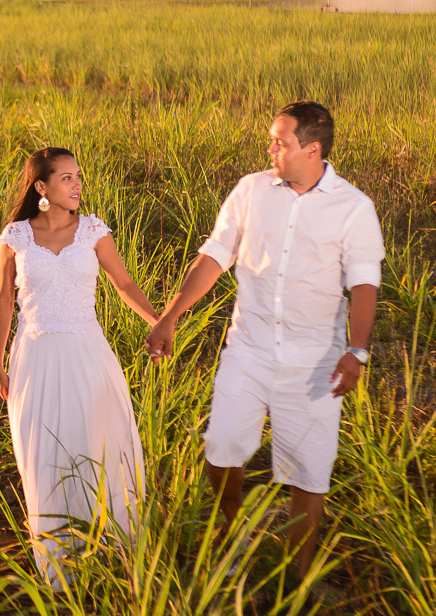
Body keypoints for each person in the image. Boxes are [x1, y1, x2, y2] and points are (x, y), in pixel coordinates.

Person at [145, 101, 384, 578]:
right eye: (272, 139)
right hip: (248, 349)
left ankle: (296, 587)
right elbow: (215, 256)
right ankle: (229, 534)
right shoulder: (250, 190)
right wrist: (170, 316)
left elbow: (363, 285)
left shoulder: (354, 207)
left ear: (312, 150)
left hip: (313, 363)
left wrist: (356, 350)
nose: (270, 148)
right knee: (221, 447)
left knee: (308, 474)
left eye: (281, 141)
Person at [0, 147, 159, 587]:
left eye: (78, 176)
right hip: (35, 358)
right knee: (45, 453)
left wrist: (159, 323)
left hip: (87, 355)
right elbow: (4, 299)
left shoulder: (94, 232)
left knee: (97, 444)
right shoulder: (16, 237)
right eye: (66, 178)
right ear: (41, 187)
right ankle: (60, 565)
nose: (77, 184)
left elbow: (124, 284)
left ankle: (114, 552)